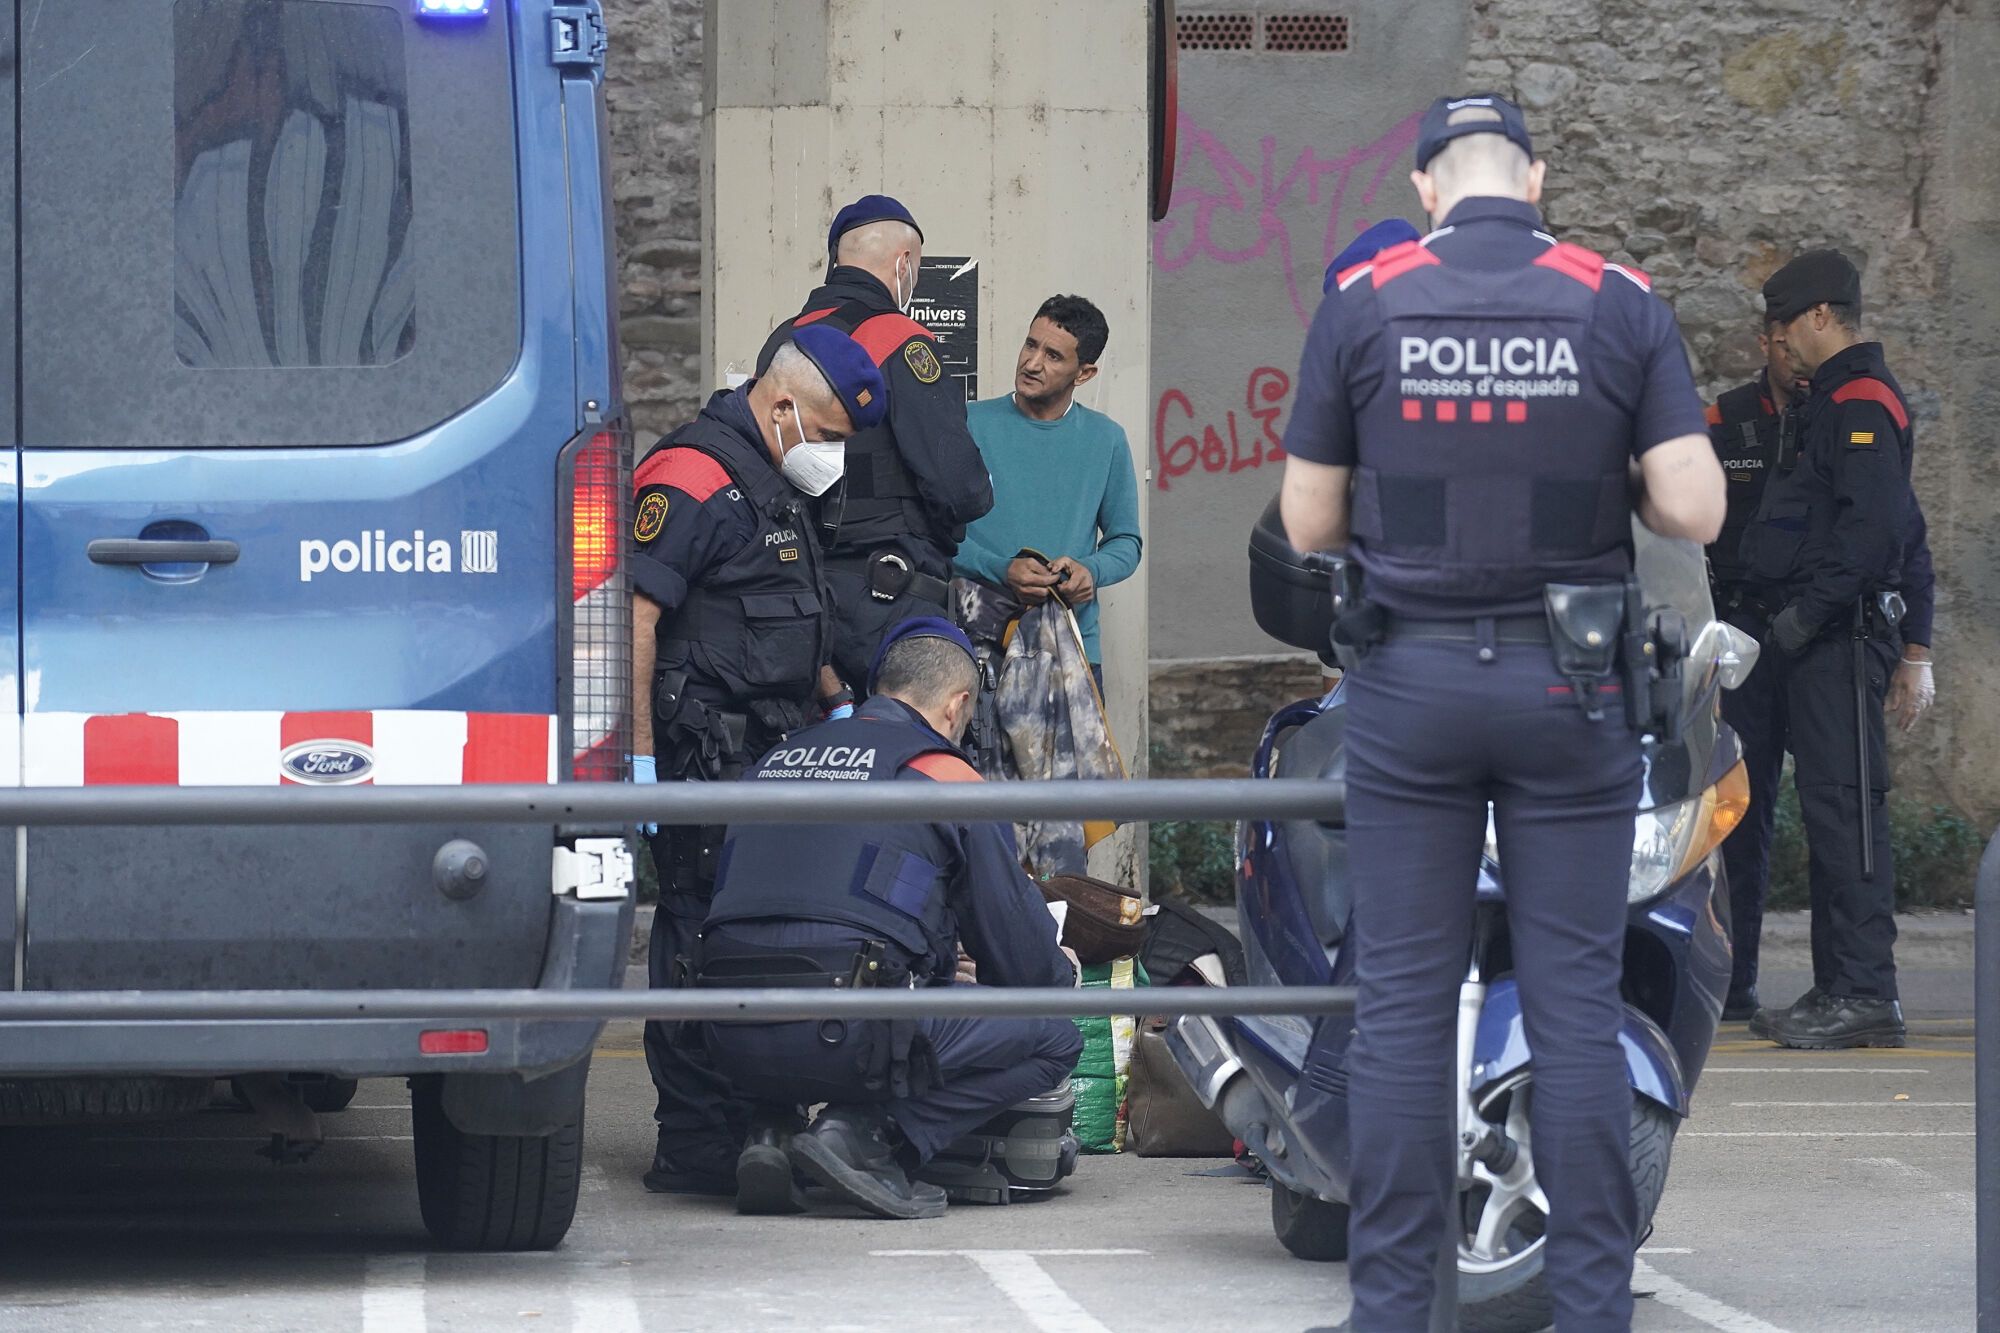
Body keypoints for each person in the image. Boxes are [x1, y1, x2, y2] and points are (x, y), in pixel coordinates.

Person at [1277, 93, 1725, 1328]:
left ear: (1426, 186)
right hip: (1566, 687)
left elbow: (1308, 524)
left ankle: (1389, 1311)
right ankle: (1587, 1311)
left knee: (1405, 1013)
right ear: (1531, 180)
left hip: (1409, 689)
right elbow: (1694, 509)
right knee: (1575, 1004)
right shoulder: (1615, 299)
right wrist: (1618, 458)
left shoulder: (1363, 303)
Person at [695, 617, 1084, 1219]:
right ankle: (864, 1137)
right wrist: (1060, 974)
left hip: (727, 1036)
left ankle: (767, 1132)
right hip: (845, 1032)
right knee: (1055, 1036)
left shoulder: (779, 756)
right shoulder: (943, 773)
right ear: (957, 706)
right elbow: (1018, 949)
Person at [628, 325, 888, 1197]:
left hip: (770, 745)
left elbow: (778, 605)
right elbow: (635, 618)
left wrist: (835, 700)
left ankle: (750, 1120)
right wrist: (634, 761)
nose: (833, 457)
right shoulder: (692, 474)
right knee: (701, 933)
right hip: (701, 748)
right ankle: (693, 1141)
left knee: (756, 931)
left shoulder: (772, 480)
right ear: (781, 407)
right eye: (829, 435)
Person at [1703, 311, 1938, 1020]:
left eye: (1790, 336)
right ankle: (1741, 981)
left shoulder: (1850, 407)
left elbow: (1897, 529)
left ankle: (1856, 987)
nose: (1785, 351)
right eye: (1772, 342)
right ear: (1763, 344)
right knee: (1737, 813)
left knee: (1840, 809)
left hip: (1822, 630)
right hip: (1749, 633)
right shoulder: (1732, 419)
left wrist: (1916, 650)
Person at [756, 195, 995, 691]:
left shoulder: (781, 342)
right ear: (904, 265)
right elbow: (960, 487)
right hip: (884, 598)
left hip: (789, 591)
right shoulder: (900, 341)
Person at [953, 295, 1143, 688]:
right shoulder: (967, 424)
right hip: (974, 643)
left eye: (1053, 356)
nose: (1032, 363)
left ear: (1084, 373)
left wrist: (1091, 569)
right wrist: (1000, 568)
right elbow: (932, 534)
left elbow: (1126, 542)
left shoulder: (1106, 439)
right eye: (1030, 344)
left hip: (1070, 650)